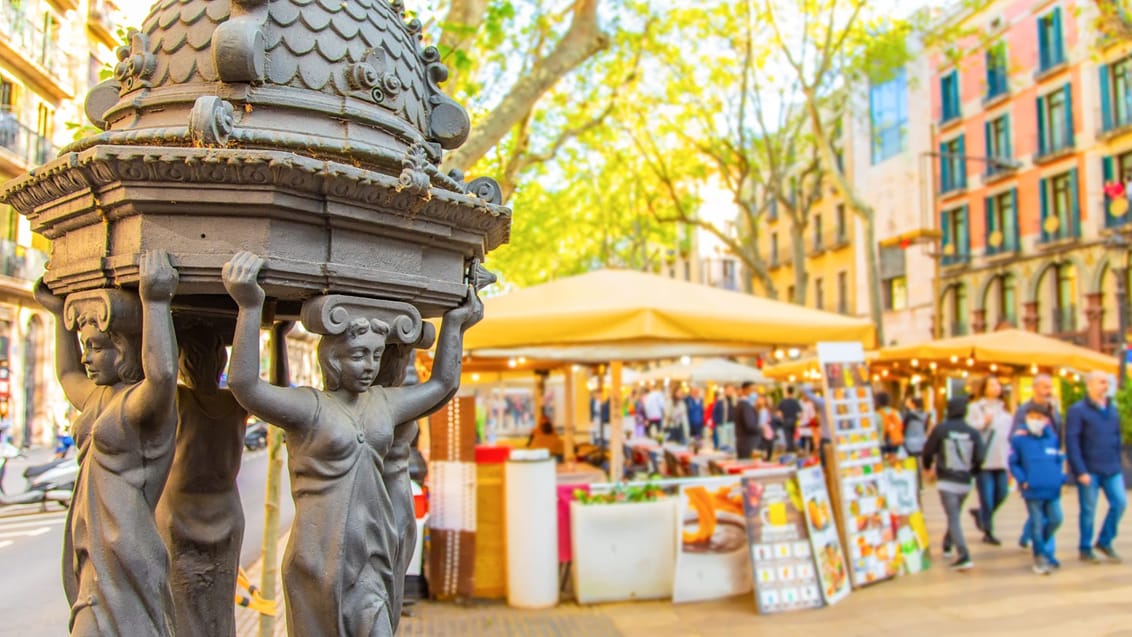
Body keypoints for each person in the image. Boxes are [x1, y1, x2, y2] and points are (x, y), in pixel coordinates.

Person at [222, 251, 482, 636]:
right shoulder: (310, 409)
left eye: (375, 356)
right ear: (332, 359)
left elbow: (442, 385)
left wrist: (456, 325)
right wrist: (248, 306)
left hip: (371, 557)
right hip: (318, 559)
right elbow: (245, 386)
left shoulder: (382, 404)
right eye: (358, 355)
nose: (369, 366)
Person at [36, 252, 180, 634]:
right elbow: (66, 373)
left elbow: (163, 377)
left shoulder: (139, 406)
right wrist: (56, 315)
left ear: (126, 349)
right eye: (86, 346)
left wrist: (156, 302)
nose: (86, 358)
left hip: (125, 551)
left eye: (97, 347)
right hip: (93, 551)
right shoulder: (99, 398)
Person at [156, 323, 252, 637]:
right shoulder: (236, 401)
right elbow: (276, 386)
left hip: (179, 514)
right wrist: (277, 335)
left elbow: (156, 373)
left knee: (180, 606)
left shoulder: (176, 399)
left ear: (182, 363)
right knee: (218, 604)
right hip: (224, 514)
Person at [1065, 372, 1126, 564]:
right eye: (1101, 382)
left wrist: (1118, 461)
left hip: (1111, 467)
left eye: (1107, 383)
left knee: (1120, 503)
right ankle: (1085, 547)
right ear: (1089, 385)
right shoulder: (1078, 410)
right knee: (1088, 510)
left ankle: (1105, 540)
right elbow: (1072, 441)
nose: (1105, 386)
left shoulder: (1112, 409)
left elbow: (1117, 436)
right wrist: (1079, 470)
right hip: (1089, 468)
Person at [922, 395, 986, 571]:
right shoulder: (972, 432)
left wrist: (927, 466)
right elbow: (980, 457)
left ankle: (964, 554)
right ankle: (947, 543)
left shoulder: (941, 430)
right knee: (955, 514)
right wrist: (973, 471)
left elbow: (928, 451)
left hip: (946, 481)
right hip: (965, 481)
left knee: (953, 516)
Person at [1009, 404, 1067, 574]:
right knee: (1036, 521)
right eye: (1032, 417)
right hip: (1032, 489)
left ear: (1046, 420)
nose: (1035, 421)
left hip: (1051, 487)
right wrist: (1023, 479)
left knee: (1056, 518)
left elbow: (1058, 459)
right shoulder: (1019, 439)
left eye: (1039, 417)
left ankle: (1039, 543)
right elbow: (1013, 462)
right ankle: (1040, 556)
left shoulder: (1052, 439)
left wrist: (1060, 478)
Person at [1012, 373, 1062, 549]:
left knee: (1045, 513)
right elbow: (1015, 436)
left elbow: (1058, 433)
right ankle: (1045, 552)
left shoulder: (1053, 408)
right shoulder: (1024, 410)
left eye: (1050, 387)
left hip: (1049, 464)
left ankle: (1029, 536)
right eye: (1045, 387)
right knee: (1039, 512)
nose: (1048, 391)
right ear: (1035, 388)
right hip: (1032, 466)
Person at [965, 375, 1014, 546]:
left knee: (1002, 493)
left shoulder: (1005, 409)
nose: (995, 387)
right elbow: (970, 428)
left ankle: (982, 515)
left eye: (997, 384)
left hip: (1001, 458)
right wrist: (983, 422)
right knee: (986, 496)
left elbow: (1009, 435)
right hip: (984, 459)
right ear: (984, 387)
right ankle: (988, 530)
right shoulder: (976, 407)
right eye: (991, 384)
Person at [735, 382, 760, 460]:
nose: (755, 393)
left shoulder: (743, 404)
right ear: (745, 390)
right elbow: (750, 425)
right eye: (753, 390)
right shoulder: (745, 405)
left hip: (744, 442)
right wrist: (761, 429)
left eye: (756, 390)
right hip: (747, 443)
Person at [875, 391, 903, 456]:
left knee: (884, 463)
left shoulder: (877, 414)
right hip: (895, 441)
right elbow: (900, 426)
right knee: (894, 463)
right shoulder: (896, 412)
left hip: (882, 442)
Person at [776, 386, 802, 453]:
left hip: (786, 420)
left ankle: (790, 449)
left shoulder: (783, 402)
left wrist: (781, 419)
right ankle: (792, 448)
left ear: (786, 392)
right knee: (793, 436)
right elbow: (800, 413)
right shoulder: (795, 401)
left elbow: (779, 413)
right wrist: (798, 419)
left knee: (787, 436)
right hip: (793, 420)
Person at [711, 385, 737, 451]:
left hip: (732, 423)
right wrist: (717, 422)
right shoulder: (720, 400)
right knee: (723, 442)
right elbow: (715, 412)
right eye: (728, 390)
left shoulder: (735, 400)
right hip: (723, 424)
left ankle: (730, 457)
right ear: (725, 391)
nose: (730, 392)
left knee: (731, 442)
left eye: (731, 390)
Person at [756, 395, 775, 461]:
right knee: (766, 448)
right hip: (765, 432)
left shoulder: (764, 410)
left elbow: (762, 423)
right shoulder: (762, 410)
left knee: (766, 448)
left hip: (766, 432)